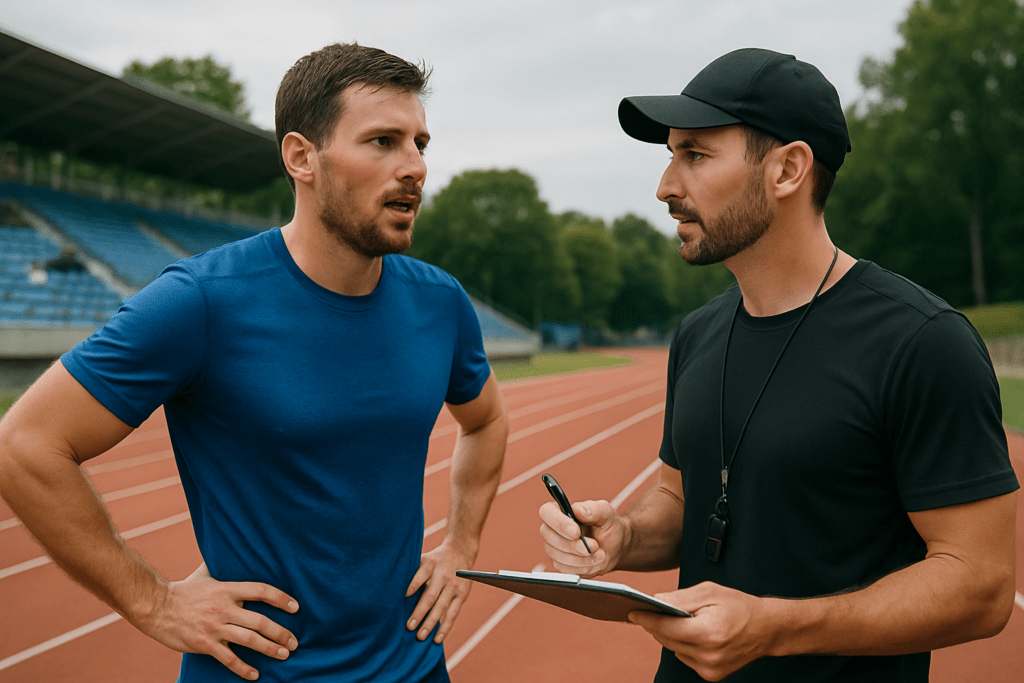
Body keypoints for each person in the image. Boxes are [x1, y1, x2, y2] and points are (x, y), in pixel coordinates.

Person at [0, 43, 508, 683]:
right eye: (382, 141)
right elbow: (25, 444)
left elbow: (486, 422)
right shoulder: (203, 301)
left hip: (412, 667)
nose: (413, 167)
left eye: (420, 144)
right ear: (302, 158)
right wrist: (154, 602)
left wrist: (460, 543)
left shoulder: (440, 302)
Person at [539, 48, 1018, 682]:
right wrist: (625, 534)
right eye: (670, 156)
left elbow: (980, 587)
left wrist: (774, 628)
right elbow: (683, 502)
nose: (665, 188)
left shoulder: (921, 342)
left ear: (788, 169)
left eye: (697, 155)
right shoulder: (698, 334)